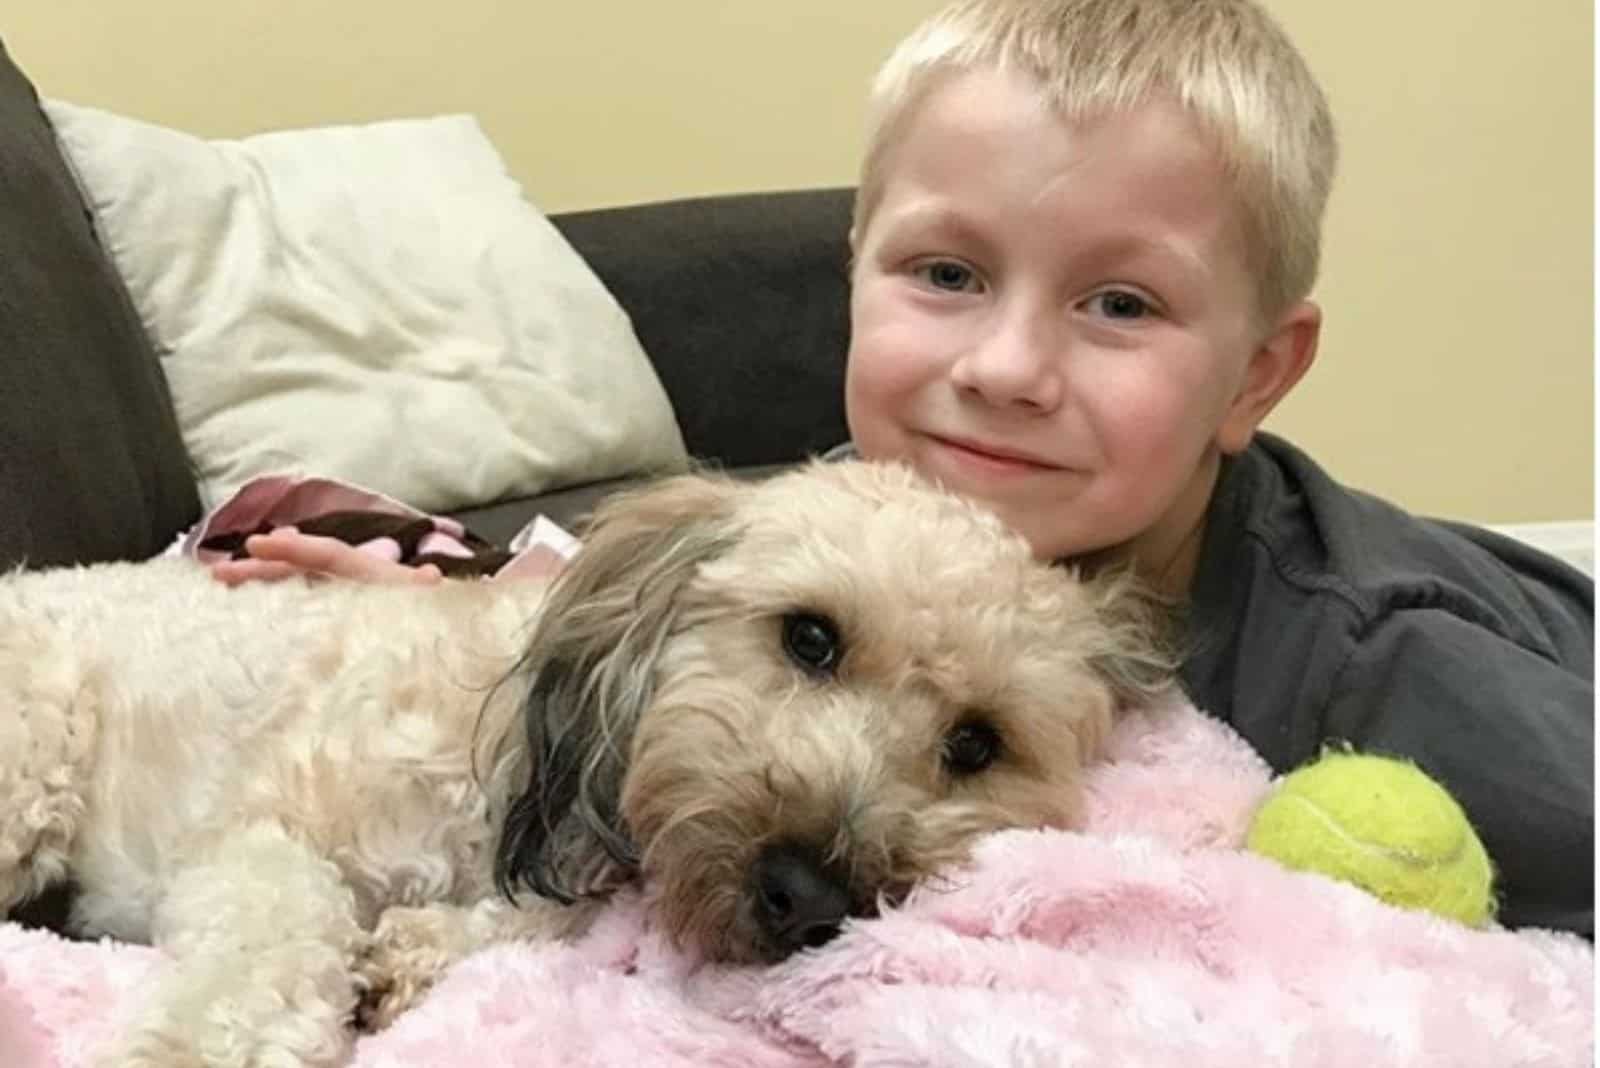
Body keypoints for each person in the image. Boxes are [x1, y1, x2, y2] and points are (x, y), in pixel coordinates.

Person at [214, 0, 1594, 936]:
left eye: (1119, 304)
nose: (1002, 366)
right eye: (947, 272)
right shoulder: (941, 498)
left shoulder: (1390, 668)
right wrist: (482, 579)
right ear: (855, 271)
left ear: (1256, 376)